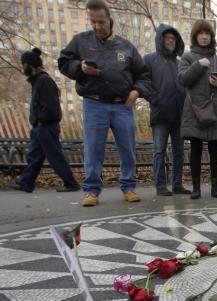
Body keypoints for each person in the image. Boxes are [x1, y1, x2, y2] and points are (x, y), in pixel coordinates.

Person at [58, 0, 151, 207]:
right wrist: (79, 67)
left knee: (127, 148)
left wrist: (136, 92)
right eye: (93, 22)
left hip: (122, 105)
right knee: (93, 148)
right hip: (94, 103)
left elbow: (143, 75)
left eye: (101, 22)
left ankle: (128, 187)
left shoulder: (126, 46)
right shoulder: (80, 41)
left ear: (110, 20)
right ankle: (91, 190)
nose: (98, 26)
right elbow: (63, 63)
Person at [13, 48, 80, 194]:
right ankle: (26, 183)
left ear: (31, 65)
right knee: (34, 156)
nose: (23, 67)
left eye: (24, 64)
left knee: (55, 156)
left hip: (46, 126)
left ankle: (71, 184)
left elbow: (51, 108)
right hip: (40, 127)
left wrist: (40, 120)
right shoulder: (37, 81)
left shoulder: (44, 80)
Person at [178, 19, 217, 200]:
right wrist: (199, 65)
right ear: (195, 36)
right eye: (200, 33)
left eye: (207, 33)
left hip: (214, 109)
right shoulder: (187, 57)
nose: (204, 36)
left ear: (211, 37)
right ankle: (196, 187)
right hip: (194, 109)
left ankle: (215, 187)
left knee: (215, 149)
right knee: (196, 149)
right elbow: (183, 80)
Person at [143, 24, 190, 197]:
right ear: (160, 39)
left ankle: (177, 184)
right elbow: (143, 82)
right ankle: (160, 185)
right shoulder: (149, 59)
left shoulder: (180, 63)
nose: (170, 41)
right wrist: (155, 99)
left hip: (179, 115)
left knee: (179, 151)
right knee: (159, 150)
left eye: (173, 39)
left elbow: (186, 86)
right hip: (160, 115)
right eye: (167, 38)